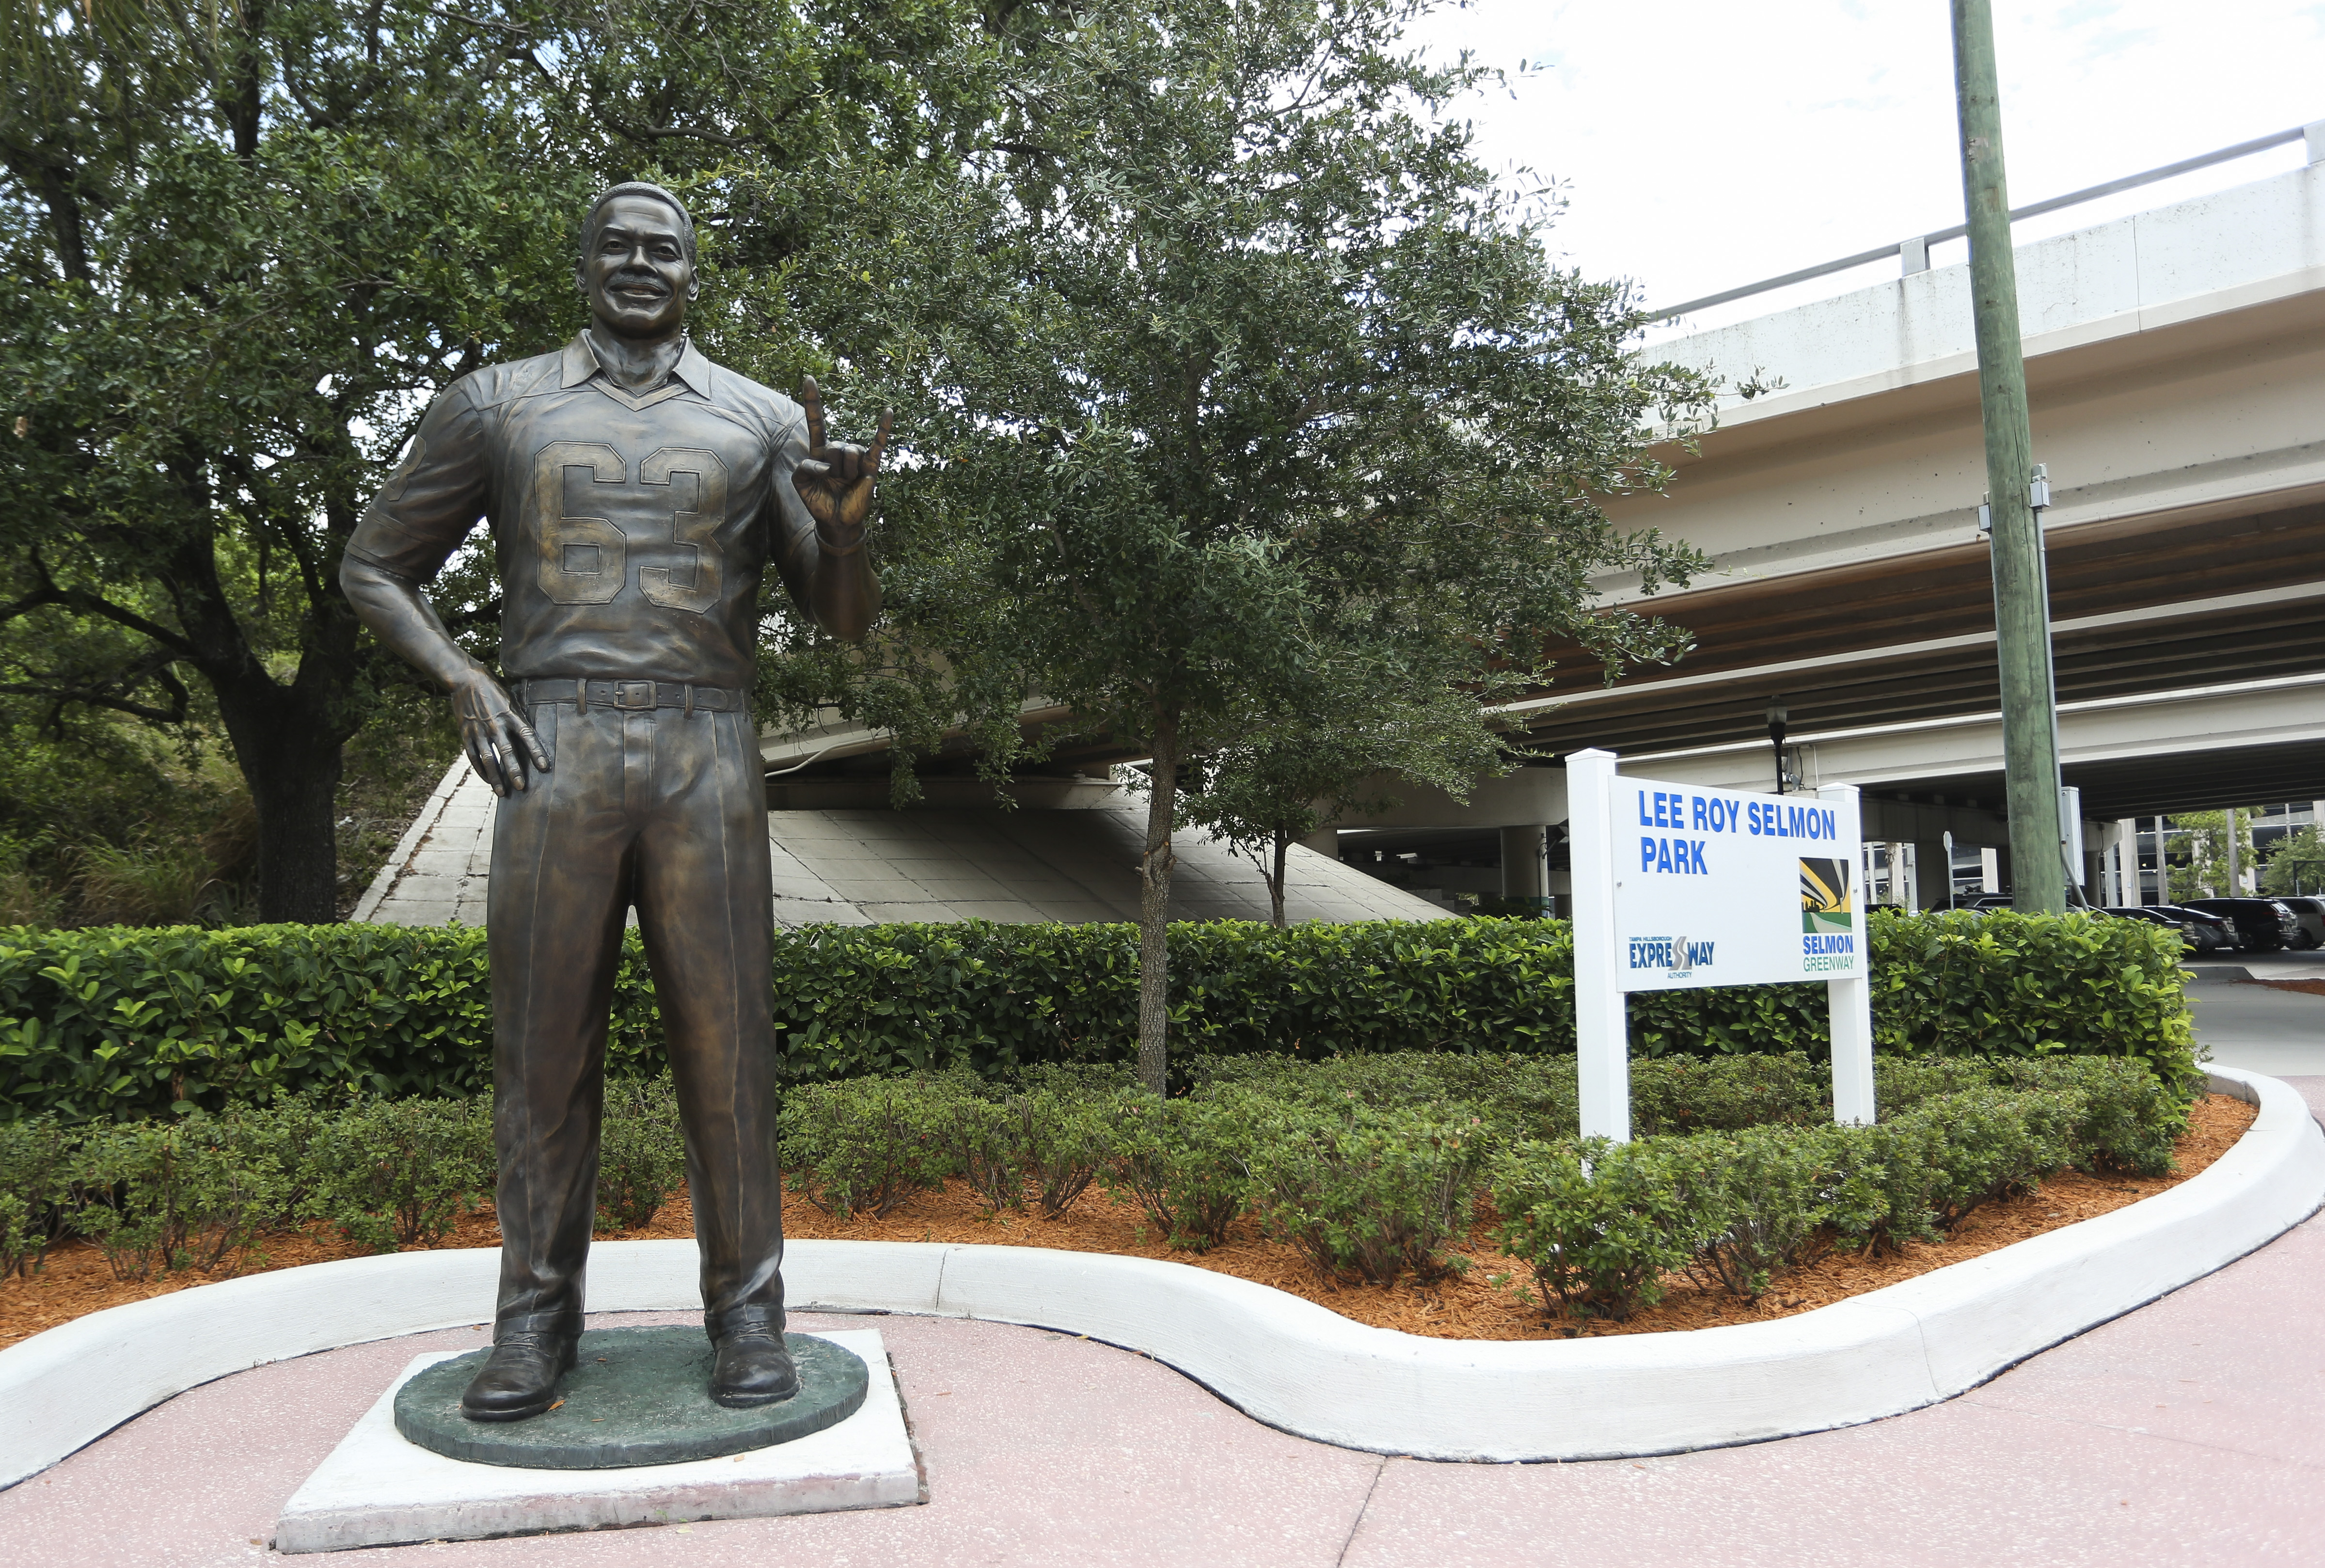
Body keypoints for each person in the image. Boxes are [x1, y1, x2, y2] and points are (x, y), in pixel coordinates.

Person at [339, 181, 884, 1421]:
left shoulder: (754, 417)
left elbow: (840, 621)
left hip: (709, 745)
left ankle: (749, 1318)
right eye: (619, 245)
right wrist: (463, 676)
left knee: (727, 1046)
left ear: (695, 270)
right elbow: (374, 565)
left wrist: (846, 530)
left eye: (666, 249)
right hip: (554, 741)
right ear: (583, 260)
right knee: (540, 1051)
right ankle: (533, 1322)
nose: (641, 264)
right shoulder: (496, 401)